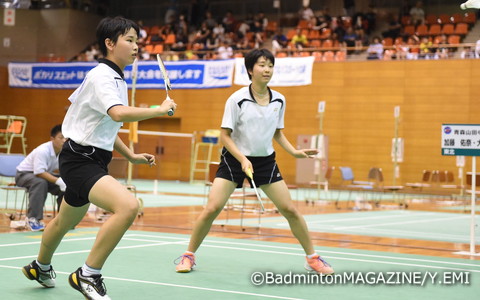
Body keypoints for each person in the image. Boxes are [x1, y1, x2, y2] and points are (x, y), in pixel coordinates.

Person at [21, 16, 177, 299]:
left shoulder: (114, 77)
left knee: (63, 223)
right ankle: (88, 274)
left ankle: (39, 267)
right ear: (110, 43)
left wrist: (129, 155)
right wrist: (158, 108)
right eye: (129, 40)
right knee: (128, 206)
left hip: (88, 158)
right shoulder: (102, 76)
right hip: (80, 159)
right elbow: (118, 113)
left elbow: (103, 123)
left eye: (136, 41)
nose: (135, 47)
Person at [174, 48, 334, 276]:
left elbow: (277, 133)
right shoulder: (237, 99)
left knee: (290, 209)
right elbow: (224, 136)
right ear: (250, 70)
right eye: (261, 64)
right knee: (212, 208)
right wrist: (241, 158)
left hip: (265, 162)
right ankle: (188, 255)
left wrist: (295, 153)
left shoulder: (279, 99)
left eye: (270, 65)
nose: (267, 69)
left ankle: (313, 258)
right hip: (234, 160)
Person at [15, 124, 66, 232]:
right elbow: (39, 172)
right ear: (52, 139)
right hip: (23, 175)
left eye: (66, 138)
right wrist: (57, 181)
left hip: (43, 175)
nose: (64, 140)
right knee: (40, 182)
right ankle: (33, 219)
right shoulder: (43, 150)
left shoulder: (64, 152)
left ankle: (64, 220)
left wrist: (64, 180)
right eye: (61, 137)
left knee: (68, 183)